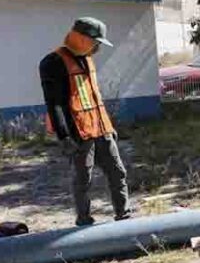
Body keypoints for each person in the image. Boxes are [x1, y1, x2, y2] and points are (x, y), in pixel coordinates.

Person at [39, 17, 132, 227]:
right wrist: (64, 136)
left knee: (118, 173)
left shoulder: (87, 58)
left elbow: (94, 97)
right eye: (95, 42)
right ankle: (84, 221)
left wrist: (108, 126)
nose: (97, 48)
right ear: (81, 38)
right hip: (79, 134)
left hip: (101, 129)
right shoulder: (52, 62)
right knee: (84, 180)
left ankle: (124, 216)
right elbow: (54, 104)